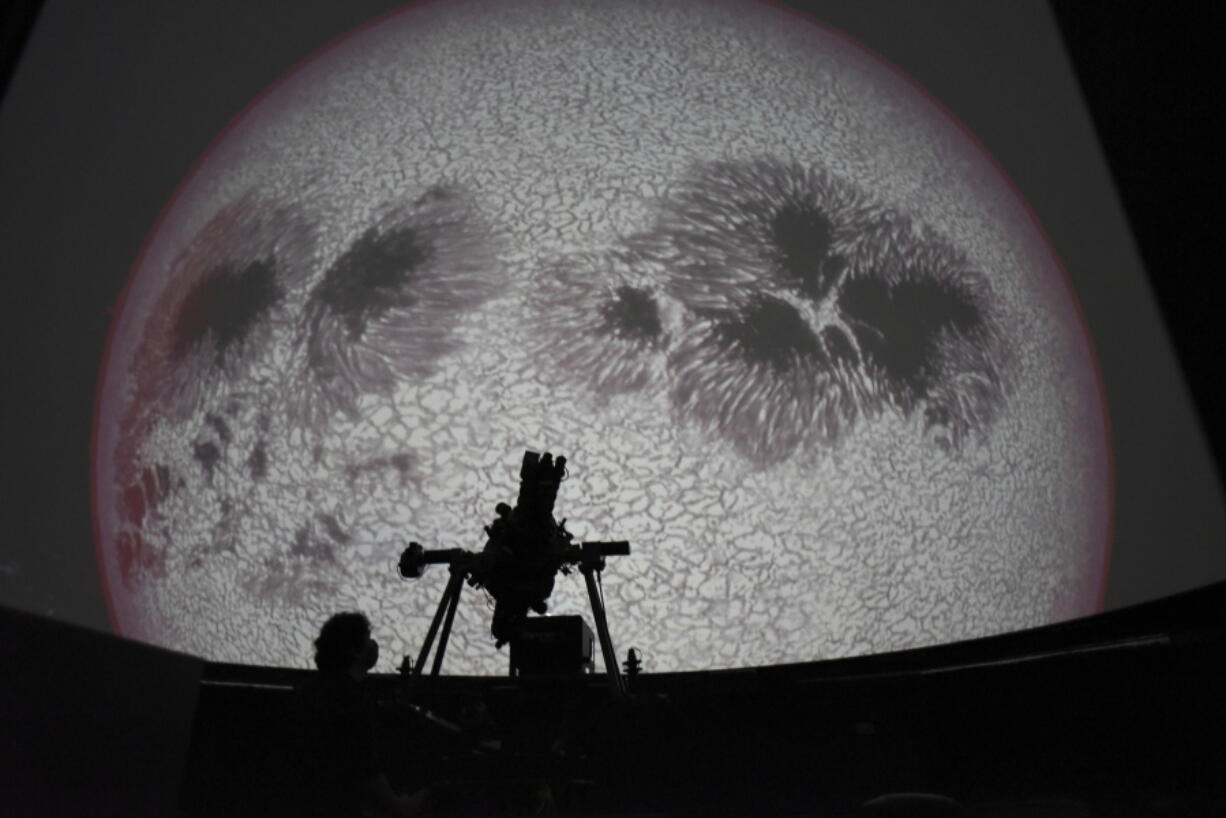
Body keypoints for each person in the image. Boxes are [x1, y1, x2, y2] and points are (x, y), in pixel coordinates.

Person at [293, 611, 429, 818]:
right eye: (367, 639)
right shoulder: (351, 701)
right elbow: (364, 771)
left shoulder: (307, 693)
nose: (373, 645)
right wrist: (403, 806)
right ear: (354, 651)